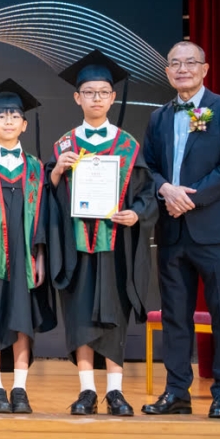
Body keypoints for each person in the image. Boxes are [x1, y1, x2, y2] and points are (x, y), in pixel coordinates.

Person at [46, 51, 157, 417]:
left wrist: (135, 214)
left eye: (103, 92)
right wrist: (56, 175)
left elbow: (146, 195)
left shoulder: (128, 146)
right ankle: (86, 391)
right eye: (89, 92)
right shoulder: (64, 146)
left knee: (114, 315)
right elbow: (48, 200)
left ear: (112, 98)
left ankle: (115, 392)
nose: (96, 98)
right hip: (76, 246)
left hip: (115, 245)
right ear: (77, 98)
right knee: (80, 315)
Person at [141, 41, 220, 420]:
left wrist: (188, 197)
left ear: (205, 68)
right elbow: (148, 167)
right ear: (167, 71)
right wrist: (165, 189)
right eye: (175, 63)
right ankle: (176, 392)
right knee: (175, 315)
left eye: (190, 62)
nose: (182, 69)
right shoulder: (158, 117)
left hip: (215, 229)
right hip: (171, 229)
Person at [0, 79, 55, 414]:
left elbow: (44, 215)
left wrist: (41, 255)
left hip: (25, 257)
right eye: (1, 116)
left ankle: (20, 388)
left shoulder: (35, 167)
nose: (8, 121)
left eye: (15, 115)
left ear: (24, 124)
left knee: (22, 319)